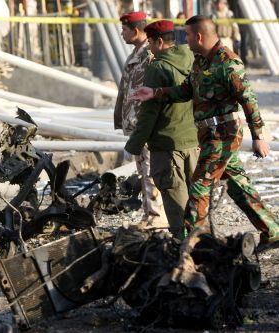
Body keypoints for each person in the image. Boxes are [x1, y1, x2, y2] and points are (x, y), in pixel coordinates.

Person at [130, 15, 279, 246]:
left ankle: (190, 243)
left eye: (187, 35)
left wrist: (258, 136)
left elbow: (248, 99)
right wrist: (156, 93)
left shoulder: (228, 62)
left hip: (223, 137)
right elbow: (186, 90)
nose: (185, 40)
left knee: (199, 190)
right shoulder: (201, 61)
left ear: (198, 36)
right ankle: (272, 230)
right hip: (208, 135)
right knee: (239, 187)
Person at [124, 20, 198, 240]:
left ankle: (184, 249)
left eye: (150, 43)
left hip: (167, 146)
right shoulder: (192, 58)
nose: (149, 48)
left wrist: (134, 144)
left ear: (158, 42)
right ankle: (202, 241)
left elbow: (149, 113)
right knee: (196, 199)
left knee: (176, 205)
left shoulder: (158, 67)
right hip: (192, 142)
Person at [114, 11, 167, 227]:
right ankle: (149, 215)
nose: (121, 33)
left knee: (149, 171)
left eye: (125, 30)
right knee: (143, 169)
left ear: (136, 31)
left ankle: (156, 217)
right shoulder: (137, 53)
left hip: (144, 123)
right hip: (136, 123)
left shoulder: (149, 55)